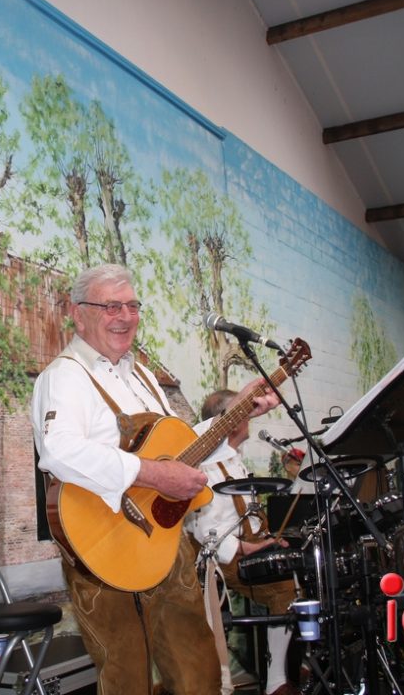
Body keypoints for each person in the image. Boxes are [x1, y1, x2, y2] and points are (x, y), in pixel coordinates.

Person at [31, 263, 278, 694]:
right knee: (127, 680)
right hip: (103, 552)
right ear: (78, 314)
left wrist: (238, 410)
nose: (125, 317)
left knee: (198, 673)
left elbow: (182, 451)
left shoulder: (143, 375)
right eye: (111, 307)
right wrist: (154, 474)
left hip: (165, 543)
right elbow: (60, 450)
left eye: (132, 306)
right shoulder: (64, 376)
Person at [185, 388, 296, 695]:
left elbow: (249, 516)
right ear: (230, 421)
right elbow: (200, 526)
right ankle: (276, 681)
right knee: (285, 585)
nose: (249, 419)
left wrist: (268, 541)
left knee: (298, 567)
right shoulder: (202, 465)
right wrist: (244, 548)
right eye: (244, 413)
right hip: (218, 557)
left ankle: (287, 669)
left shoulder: (235, 461)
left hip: (247, 546)